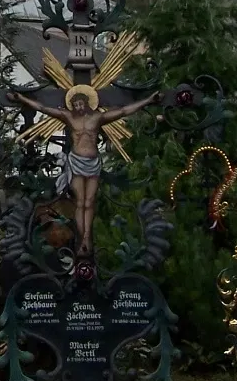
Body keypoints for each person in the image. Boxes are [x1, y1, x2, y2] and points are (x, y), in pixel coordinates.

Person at [9, 85, 156, 256]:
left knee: (89, 202)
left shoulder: (98, 118)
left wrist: (147, 101)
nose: (78, 107)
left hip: (93, 163)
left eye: (81, 104)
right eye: (75, 105)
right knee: (80, 202)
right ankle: (83, 239)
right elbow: (42, 108)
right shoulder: (69, 117)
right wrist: (21, 99)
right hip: (76, 162)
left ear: (87, 103)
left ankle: (86, 238)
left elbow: (123, 111)